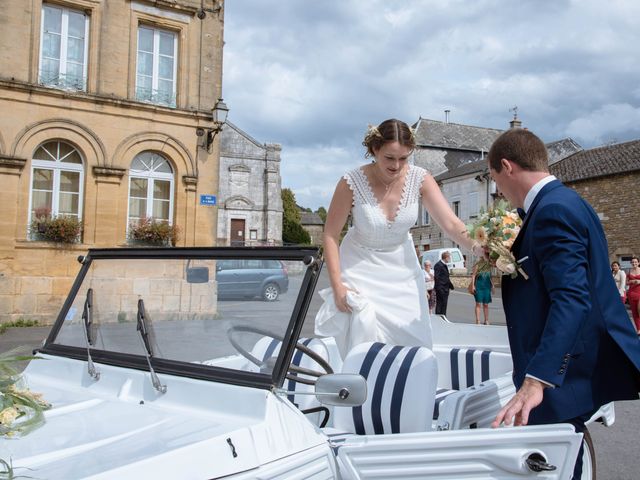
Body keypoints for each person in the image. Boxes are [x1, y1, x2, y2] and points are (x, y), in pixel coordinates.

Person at [487, 128, 640, 480]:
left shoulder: (553, 210)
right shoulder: (567, 201)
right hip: (569, 367)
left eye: (496, 181)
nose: (501, 194)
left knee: (554, 465)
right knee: (564, 458)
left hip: (564, 373)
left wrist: (537, 379)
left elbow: (571, 298)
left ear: (507, 167)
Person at [315, 119, 484, 354]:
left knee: (415, 341)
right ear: (375, 149)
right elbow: (330, 235)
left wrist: (477, 247)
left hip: (402, 269)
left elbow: (451, 224)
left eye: (403, 158)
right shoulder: (350, 182)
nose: (396, 165)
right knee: (364, 339)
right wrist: (338, 287)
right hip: (359, 266)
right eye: (389, 158)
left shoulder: (420, 179)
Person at [433, 251, 454, 316]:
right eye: (449, 257)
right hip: (441, 288)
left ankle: (443, 318)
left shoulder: (444, 265)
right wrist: (440, 289)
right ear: (446, 257)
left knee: (444, 304)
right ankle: (439, 319)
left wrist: (451, 285)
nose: (450, 259)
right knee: (440, 304)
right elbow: (437, 278)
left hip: (445, 288)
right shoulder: (438, 265)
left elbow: (446, 277)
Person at [627, 256, 640, 334]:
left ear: (638, 263)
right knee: (634, 312)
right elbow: (626, 282)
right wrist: (631, 282)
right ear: (631, 263)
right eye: (633, 262)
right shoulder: (629, 272)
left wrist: (639, 281)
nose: (634, 263)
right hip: (632, 293)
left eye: (635, 262)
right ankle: (638, 329)